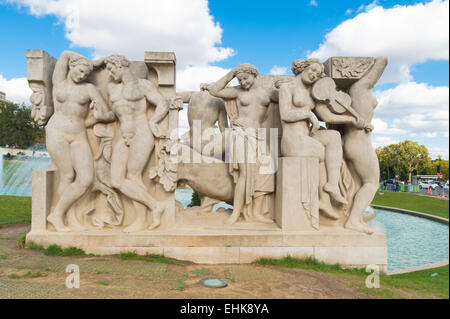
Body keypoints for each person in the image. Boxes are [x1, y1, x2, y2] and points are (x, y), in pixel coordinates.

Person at [46, 51, 114, 232]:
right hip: (56, 132)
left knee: (85, 179)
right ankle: (67, 217)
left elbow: (107, 113)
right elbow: (65, 54)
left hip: (78, 134)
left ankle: (57, 214)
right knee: (67, 175)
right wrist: (94, 61)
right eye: (80, 70)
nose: (82, 75)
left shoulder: (89, 89)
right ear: (72, 67)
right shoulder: (58, 83)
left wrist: (99, 117)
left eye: (86, 73)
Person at [202, 63, 278, 224]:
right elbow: (215, 91)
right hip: (241, 134)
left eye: (245, 78)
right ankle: (236, 212)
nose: (243, 82)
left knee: (267, 171)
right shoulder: (236, 91)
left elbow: (287, 98)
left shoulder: (268, 92)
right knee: (246, 171)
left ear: (254, 74)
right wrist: (232, 73)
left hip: (259, 136)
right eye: (240, 79)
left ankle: (256, 212)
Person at [102, 54, 169, 232]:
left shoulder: (143, 85)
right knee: (116, 180)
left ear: (121, 65)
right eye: (107, 69)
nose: (109, 72)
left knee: (133, 176)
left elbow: (162, 103)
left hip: (142, 133)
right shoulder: (112, 89)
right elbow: (113, 115)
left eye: (111, 68)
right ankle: (155, 206)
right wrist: (98, 115)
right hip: (124, 136)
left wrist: (154, 121)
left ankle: (140, 220)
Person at [278, 58, 349, 206]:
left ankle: (332, 185)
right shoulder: (287, 88)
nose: (314, 76)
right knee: (329, 155)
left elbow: (326, 116)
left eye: (317, 75)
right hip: (293, 140)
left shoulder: (311, 93)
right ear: (303, 68)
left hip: (306, 137)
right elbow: (285, 114)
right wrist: (308, 114)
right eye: (312, 71)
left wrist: (351, 119)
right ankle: (322, 200)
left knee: (334, 136)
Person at [342, 56, 388, 234]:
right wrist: (361, 66)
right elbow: (383, 60)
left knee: (356, 184)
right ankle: (353, 220)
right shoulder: (359, 87)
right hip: (359, 142)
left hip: (352, 141)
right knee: (371, 183)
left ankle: (352, 217)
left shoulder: (351, 91)